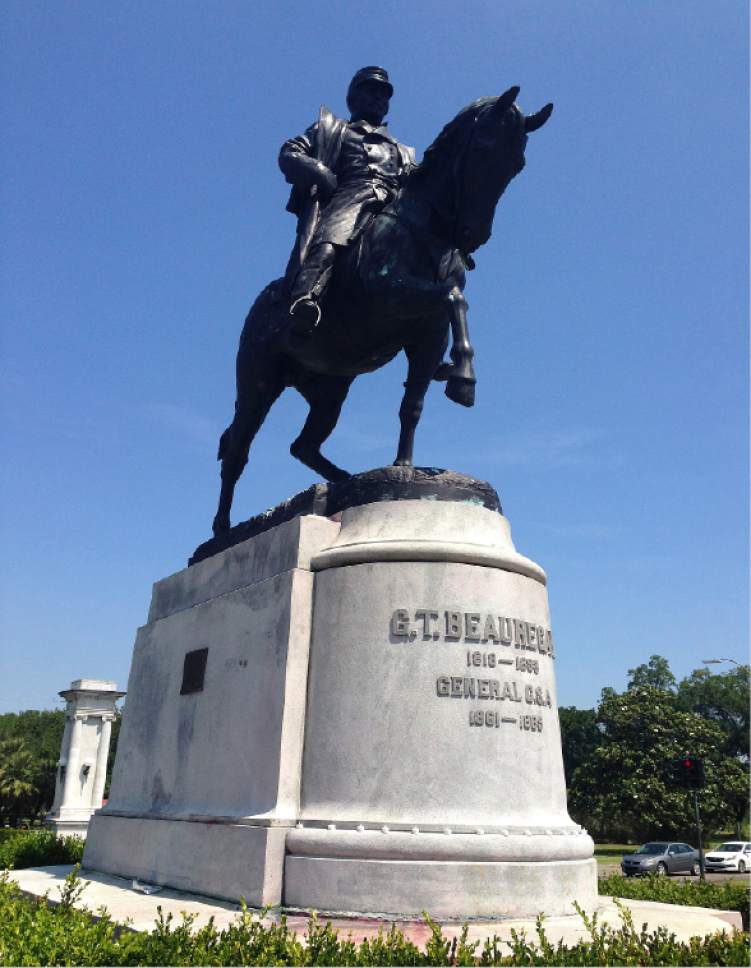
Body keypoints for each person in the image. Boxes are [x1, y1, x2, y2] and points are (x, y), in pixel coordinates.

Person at [279, 66, 415, 334]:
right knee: (331, 242)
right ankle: (304, 298)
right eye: (370, 91)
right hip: (350, 197)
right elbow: (290, 153)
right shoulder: (332, 129)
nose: (378, 98)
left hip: (395, 207)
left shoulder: (404, 150)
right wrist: (321, 174)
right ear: (353, 98)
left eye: (383, 94)